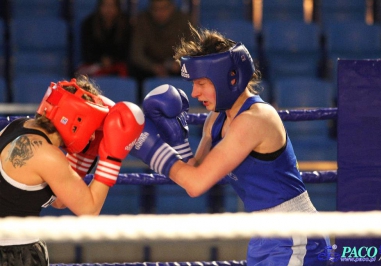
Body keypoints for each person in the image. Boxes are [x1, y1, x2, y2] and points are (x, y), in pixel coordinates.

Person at [130, 25, 329, 265]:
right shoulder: (216, 119)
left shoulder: (255, 120)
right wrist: (177, 141)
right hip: (263, 235)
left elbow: (194, 184)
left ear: (230, 78)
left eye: (201, 83)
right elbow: (193, 174)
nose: (194, 93)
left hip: (294, 233)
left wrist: (151, 149)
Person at [0, 75, 144, 265]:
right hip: (13, 252)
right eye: (92, 127)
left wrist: (84, 155)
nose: (93, 136)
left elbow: (60, 200)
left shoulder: (18, 126)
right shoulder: (46, 154)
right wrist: (112, 157)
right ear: (77, 120)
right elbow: (89, 210)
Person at [129, 0, 193, 96]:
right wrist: (153, 67)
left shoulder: (184, 21)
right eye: (156, 9)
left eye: (164, 8)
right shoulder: (142, 20)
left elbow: (191, 49)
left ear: (172, 7)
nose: (160, 13)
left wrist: (179, 62)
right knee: (133, 69)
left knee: (191, 70)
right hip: (148, 68)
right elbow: (136, 54)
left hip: (176, 67)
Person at [76, 0, 132, 77]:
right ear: (99, 7)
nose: (108, 9)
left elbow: (126, 51)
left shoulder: (125, 24)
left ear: (118, 7)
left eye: (112, 6)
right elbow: (87, 51)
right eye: (105, 5)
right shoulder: (89, 24)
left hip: (117, 64)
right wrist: (101, 60)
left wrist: (112, 60)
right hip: (95, 63)